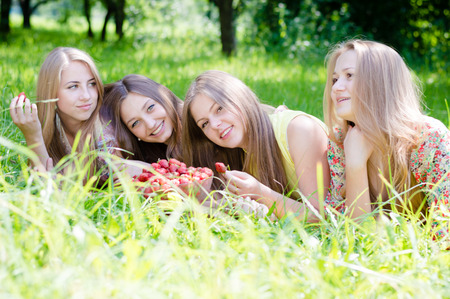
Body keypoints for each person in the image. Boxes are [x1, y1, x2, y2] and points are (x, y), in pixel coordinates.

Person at [323, 39, 449, 239]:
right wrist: (355, 165)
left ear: (380, 82)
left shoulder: (427, 138)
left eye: (349, 76)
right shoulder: (340, 140)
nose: (337, 87)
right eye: (335, 79)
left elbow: (445, 230)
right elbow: (350, 235)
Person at [182, 70, 331, 221]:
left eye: (219, 108)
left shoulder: (300, 130)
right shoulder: (243, 153)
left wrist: (259, 192)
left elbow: (319, 217)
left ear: (240, 97)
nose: (214, 124)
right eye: (204, 123)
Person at [9, 47, 103, 174]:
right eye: (73, 86)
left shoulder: (106, 123)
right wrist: (33, 135)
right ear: (51, 93)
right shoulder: (53, 129)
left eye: (92, 83)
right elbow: (43, 179)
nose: (86, 96)